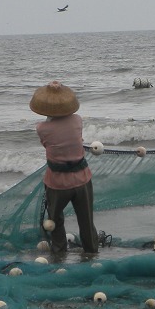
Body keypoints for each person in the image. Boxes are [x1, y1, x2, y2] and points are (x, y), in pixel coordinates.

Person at [31, 80, 99, 254]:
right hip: (82, 179)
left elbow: (47, 145)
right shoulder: (77, 120)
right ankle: (91, 252)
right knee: (86, 220)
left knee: (54, 220)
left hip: (57, 183)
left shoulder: (41, 128)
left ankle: (59, 252)